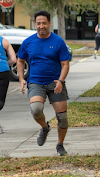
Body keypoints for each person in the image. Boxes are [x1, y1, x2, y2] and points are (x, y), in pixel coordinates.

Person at [17, 10, 71, 156]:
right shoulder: (28, 42)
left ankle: (60, 145)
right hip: (36, 82)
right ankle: (45, 127)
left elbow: (65, 64)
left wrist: (60, 81)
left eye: (44, 23)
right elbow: (20, 60)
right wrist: (22, 79)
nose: (41, 26)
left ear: (49, 24)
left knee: (63, 119)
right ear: (35, 24)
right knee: (36, 110)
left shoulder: (58, 41)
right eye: (38, 23)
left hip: (55, 83)